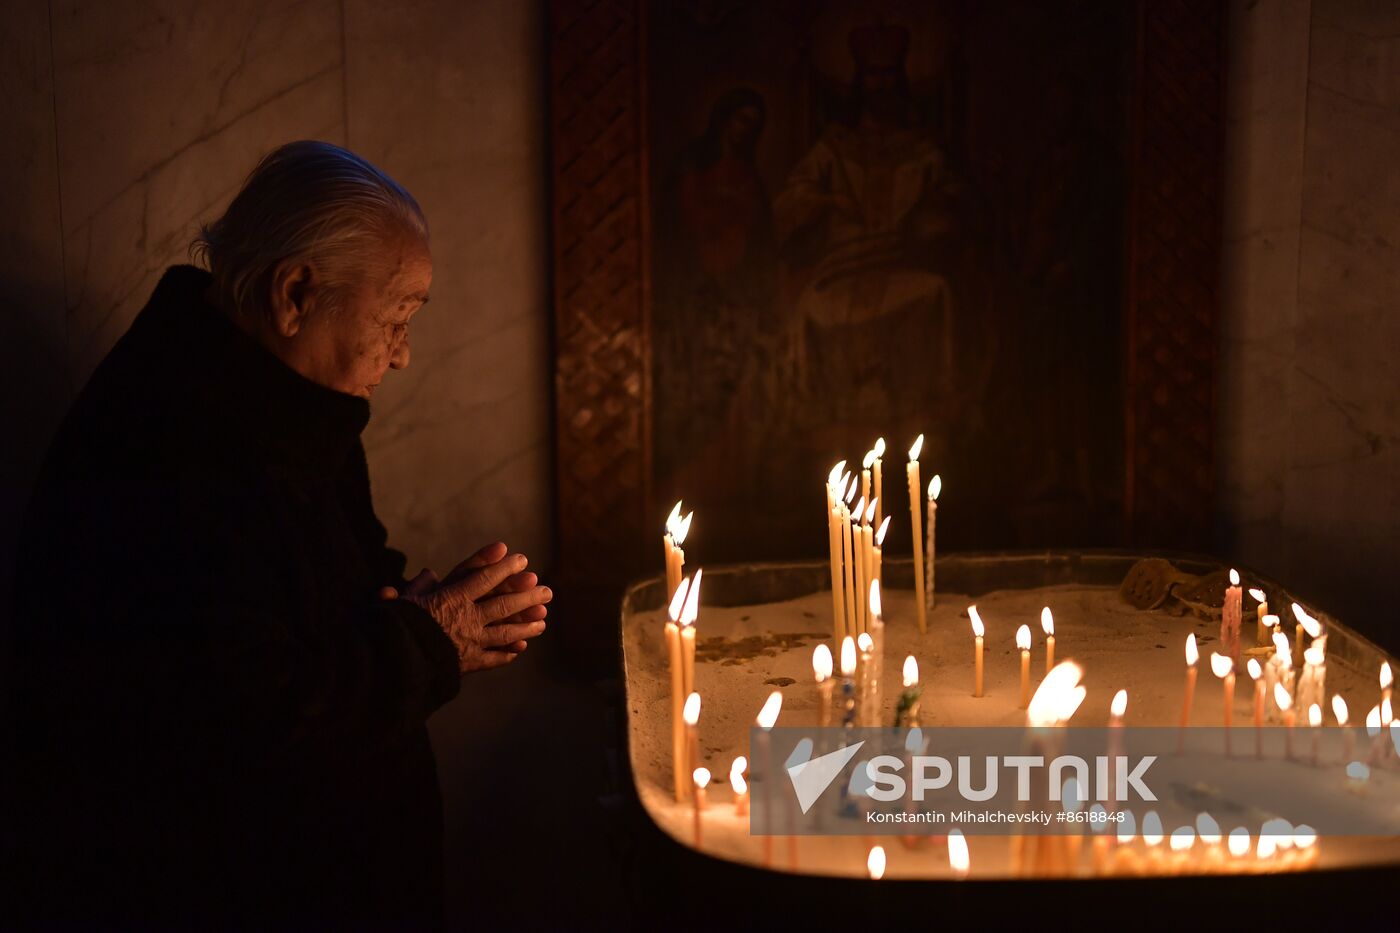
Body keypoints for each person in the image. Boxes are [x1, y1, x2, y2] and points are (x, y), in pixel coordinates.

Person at [5, 140, 552, 929]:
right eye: (395, 319)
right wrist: (428, 641)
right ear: (295, 293)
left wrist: (418, 608)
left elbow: (334, 594)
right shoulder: (169, 447)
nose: (402, 356)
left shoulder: (286, 403)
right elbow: (242, 719)